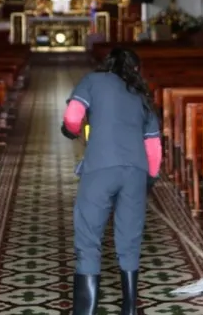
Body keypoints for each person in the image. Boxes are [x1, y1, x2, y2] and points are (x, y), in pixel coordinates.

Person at [60, 47, 162, 315]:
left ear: (108, 63)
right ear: (135, 69)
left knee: (88, 240)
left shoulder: (93, 81)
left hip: (100, 168)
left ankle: (86, 312)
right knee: (129, 241)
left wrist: (70, 131)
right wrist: (149, 179)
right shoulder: (141, 95)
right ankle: (129, 309)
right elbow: (154, 147)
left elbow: (72, 117)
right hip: (136, 172)